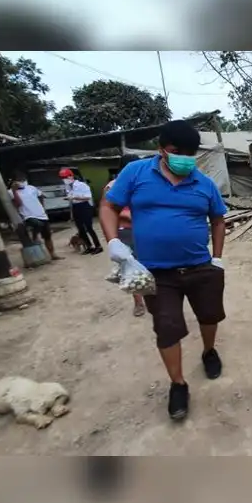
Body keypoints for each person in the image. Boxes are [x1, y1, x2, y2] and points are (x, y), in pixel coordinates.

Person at [99, 120, 227, 422]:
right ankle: (178, 384)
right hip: (157, 273)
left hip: (201, 267)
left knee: (209, 316)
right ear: (161, 149)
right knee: (166, 327)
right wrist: (114, 242)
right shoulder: (136, 173)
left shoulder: (204, 184)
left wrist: (218, 258)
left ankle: (209, 351)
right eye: (176, 151)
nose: (184, 157)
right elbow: (108, 206)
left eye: (189, 153)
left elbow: (218, 220)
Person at [103, 160, 146, 317]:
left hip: (145, 230)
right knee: (131, 266)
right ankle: (138, 302)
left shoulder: (143, 182)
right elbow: (109, 210)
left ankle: (154, 295)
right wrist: (130, 216)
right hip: (126, 231)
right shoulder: (113, 186)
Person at [11, 171, 64, 260]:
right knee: (37, 225)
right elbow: (18, 204)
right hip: (28, 216)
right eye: (19, 180)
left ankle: (52, 254)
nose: (22, 181)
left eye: (23, 179)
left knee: (47, 236)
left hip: (41, 214)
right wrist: (14, 191)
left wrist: (42, 207)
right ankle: (35, 239)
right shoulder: (11, 192)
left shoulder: (32, 188)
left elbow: (41, 196)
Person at [60, 168, 103, 255]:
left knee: (89, 227)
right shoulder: (68, 187)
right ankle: (89, 246)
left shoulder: (81, 185)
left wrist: (75, 197)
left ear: (71, 176)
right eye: (62, 178)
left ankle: (98, 246)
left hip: (84, 206)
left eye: (65, 177)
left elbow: (88, 197)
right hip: (76, 207)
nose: (64, 179)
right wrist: (71, 214)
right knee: (80, 229)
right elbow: (71, 201)